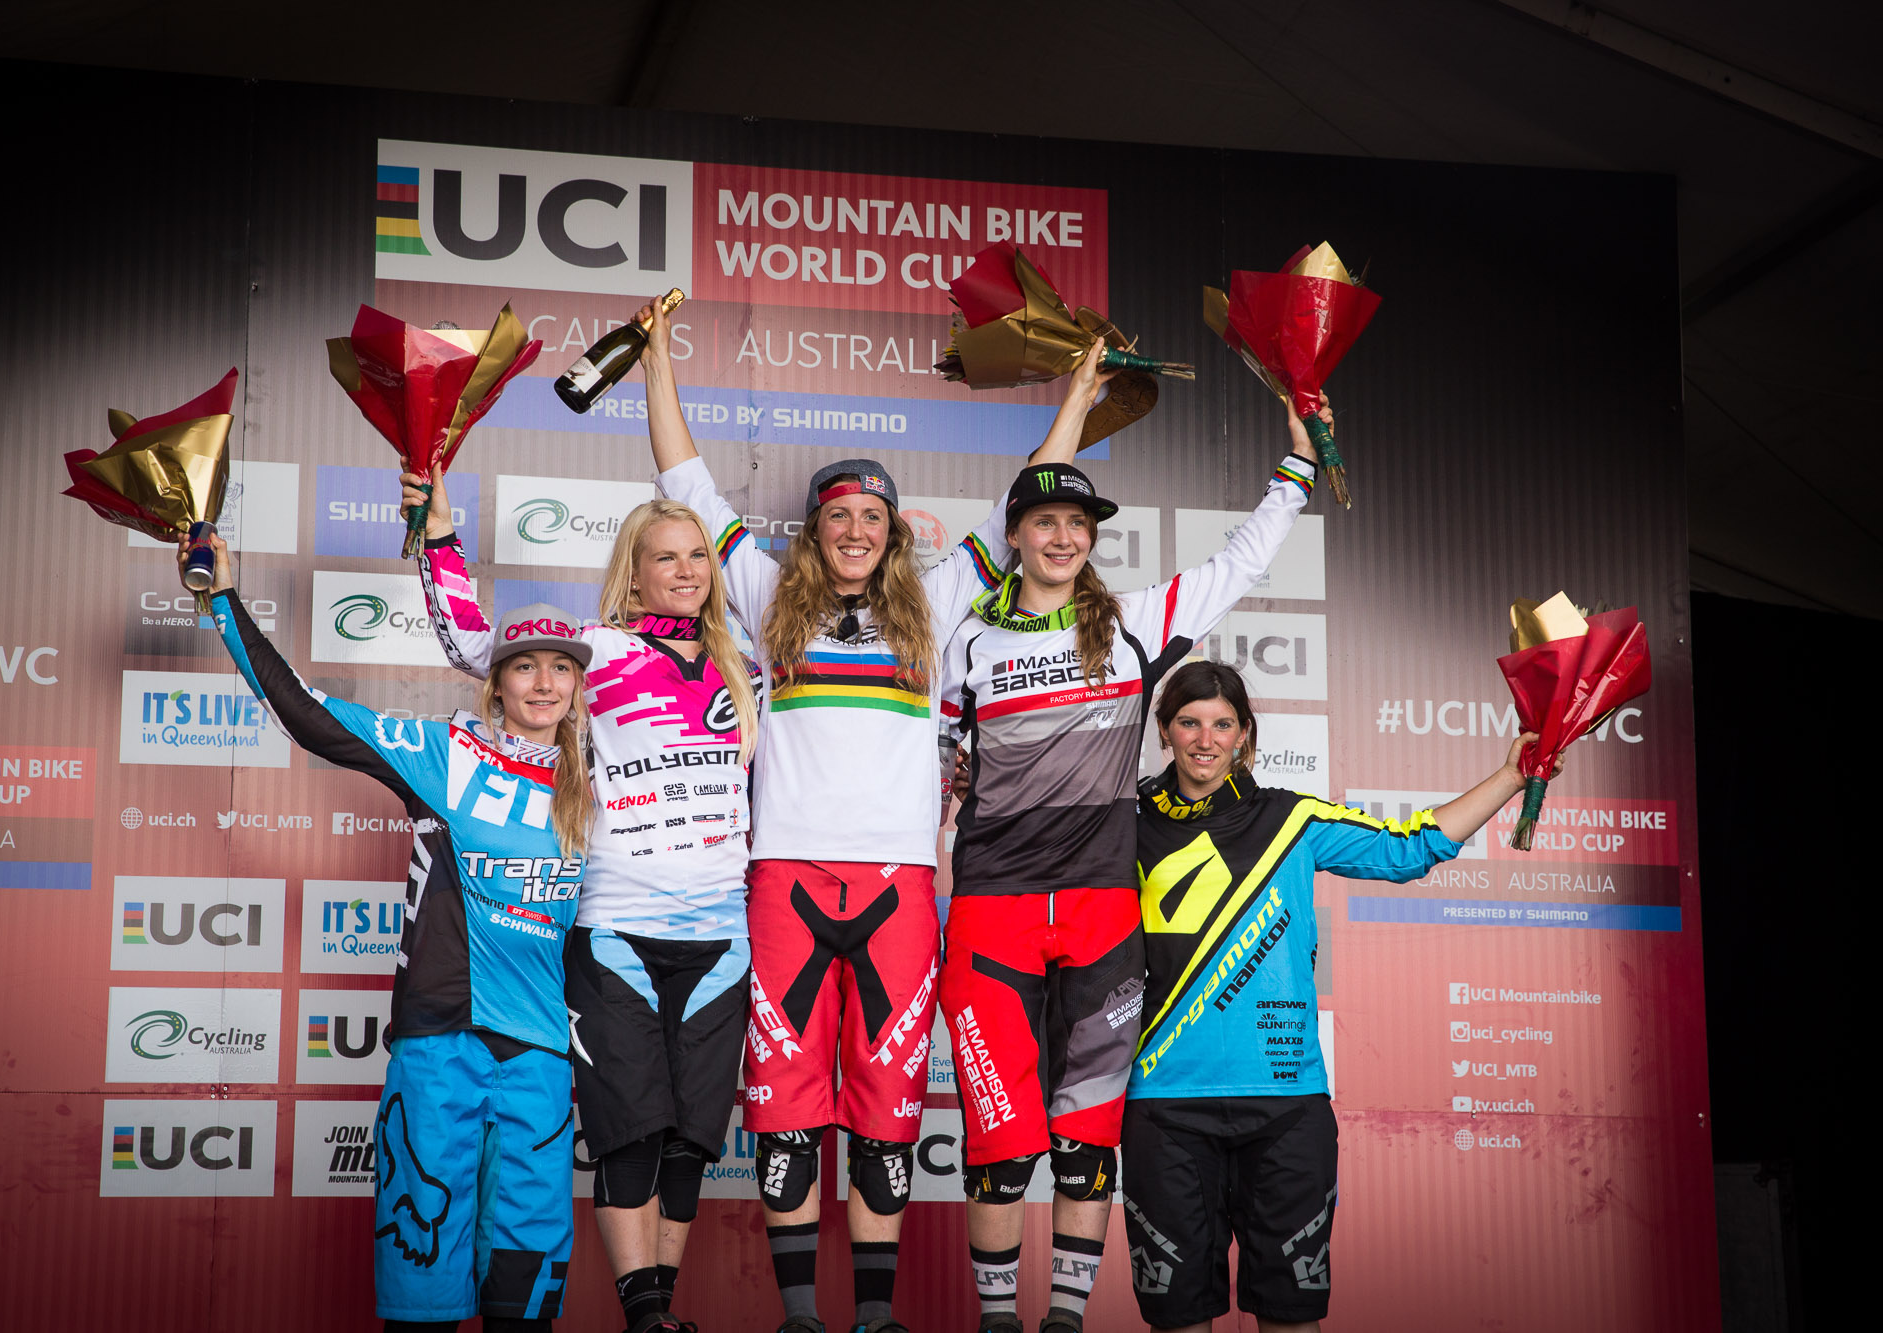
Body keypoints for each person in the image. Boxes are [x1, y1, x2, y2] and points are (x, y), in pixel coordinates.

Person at [639, 294, 1109, 1333]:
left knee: (889, 1108)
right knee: (784, 1108)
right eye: (839, 515)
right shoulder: (766, 594)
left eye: (872, 517)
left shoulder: (934, 606)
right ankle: (802, 1315)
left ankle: (876, 1316)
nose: (855, 531)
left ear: (892, 532)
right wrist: (656, 364)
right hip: (785, 879)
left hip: (898, 884)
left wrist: (1077, 396)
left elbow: (1027, 493)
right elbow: (685, 482)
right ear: (815, 528)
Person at [937, 400, 1326, 1333]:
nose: (1062, 537)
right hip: (993, 908)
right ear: (1014, 535)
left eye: (1078, 523)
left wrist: (1296, 473)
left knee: (1084, 1141)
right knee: (998, 1147)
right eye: (1044, 521)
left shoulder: (1135, 627)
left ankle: (1065, 1320)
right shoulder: (965, 639)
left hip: (1102, 912)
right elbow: (930, 756)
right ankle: (999, 1321)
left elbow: (1240, 565)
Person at [177, 530, 590, 1332]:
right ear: (497, 681)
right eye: (524, 665)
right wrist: (223, 599)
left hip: (541, 1062)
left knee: (526, 1301)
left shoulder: (599, 786)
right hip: (440, 1050)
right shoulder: (444, 754)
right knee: (420, 1286)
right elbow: (310, 715)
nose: (544, 682)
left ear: (578, 685)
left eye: (560, 667)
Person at [408, 482, 759, 1333]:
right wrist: (441, 536)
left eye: (698, 556)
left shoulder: (747, 664)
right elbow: (474, 644)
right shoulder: (594, 650)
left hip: (723, 933)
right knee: (630, 1131)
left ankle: (660, 1309)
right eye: (666, 557)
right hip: (616, 926)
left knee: (691, 1141)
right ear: (634, 573)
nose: (687, 570)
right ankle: (644, 1314)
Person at [1121, 661, 1563, 1333]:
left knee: (1293, 1319)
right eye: (1189, 722)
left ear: (1245, 734)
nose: (1205, 740)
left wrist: (1512, 775)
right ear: (1164, 730)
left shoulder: (1292, 818)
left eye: (1222, 724)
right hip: (1165, 1106)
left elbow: (1411, 849)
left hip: (1284, 1109)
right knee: (1178, 1321)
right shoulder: (1124, 822)